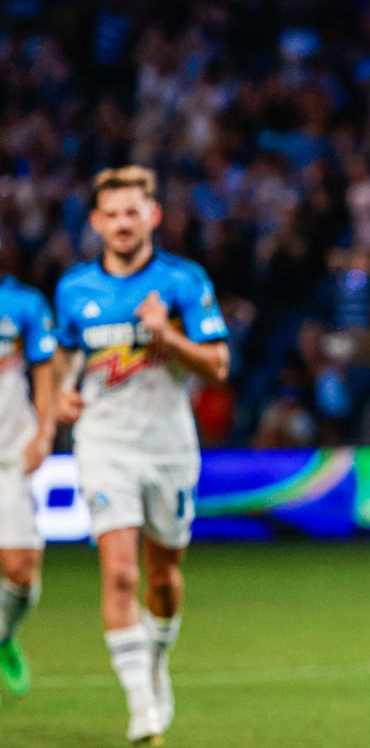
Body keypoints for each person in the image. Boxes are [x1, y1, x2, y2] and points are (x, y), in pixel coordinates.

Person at [53, 166, 229, 745]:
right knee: (121, 572)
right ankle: (141, 710)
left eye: (134, 212)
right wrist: (64, 392)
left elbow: (219, 365)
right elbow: (67, 357)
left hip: (169, 445)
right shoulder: (75, 289)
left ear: (152, 217)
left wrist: (167, 335)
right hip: (105, 444)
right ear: (97, 222)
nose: (123, 223)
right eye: (113, 214)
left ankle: (156, 661)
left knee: (165, 579)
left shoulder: (183, 281)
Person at [0, 272, 57, 706]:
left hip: (9, 456)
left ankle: (2, 636)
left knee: (21, 569)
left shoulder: (22, 303)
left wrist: (44, 432)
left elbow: (44, 372)